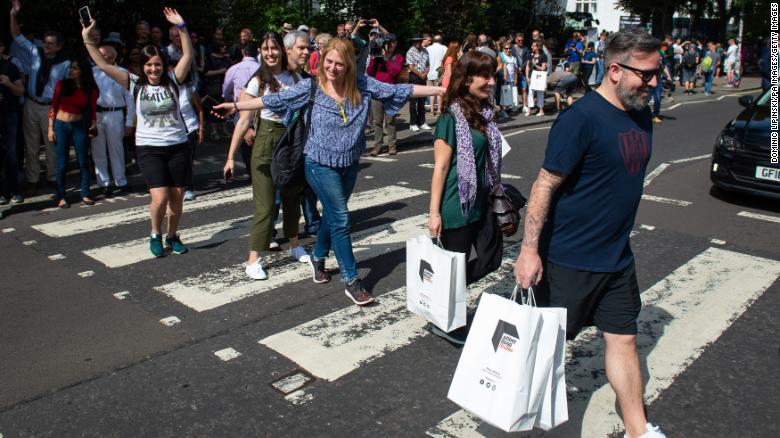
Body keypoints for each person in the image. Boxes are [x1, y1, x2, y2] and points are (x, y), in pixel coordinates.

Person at [514, 28, 667, 438]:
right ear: (615, 70)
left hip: (616, 258)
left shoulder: (638, 113)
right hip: (568, 261)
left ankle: (640, 430)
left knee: (625, 342)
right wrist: (529, 251)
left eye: (657, 72)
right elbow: (545, 184)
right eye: (646, 74)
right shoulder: (579, 119)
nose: (654, 82)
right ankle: (524, 417)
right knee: (546, 355)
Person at [215, 38, 444, 305]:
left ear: (349, 65)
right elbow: (274, 99)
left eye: (339, 64)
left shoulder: (362, 84)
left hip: (349, 163)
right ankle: (352, 279)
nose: (333, 68)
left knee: (334, 217)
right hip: (318, 162)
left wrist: (439, 90)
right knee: (342, 219)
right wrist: (236, 106)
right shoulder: (311, 87)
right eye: (329, 62)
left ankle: (317, 255)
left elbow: (399, 90)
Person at [82, 8, 195, 258]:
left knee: (177, 199)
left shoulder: (173, 80)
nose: (153, 69)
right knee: (161, 197)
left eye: (157, 65)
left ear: (163, 66)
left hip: (177, 146)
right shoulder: (133, 83)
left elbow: (188, 53)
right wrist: (87, 39)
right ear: (143, 67)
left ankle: (173, 236)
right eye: (149, 65)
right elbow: (101, 63)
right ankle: (155, 233)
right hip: (149, 149)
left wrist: (182, 27)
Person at [427, 51, 505, 343]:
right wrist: (434, 213)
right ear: (466, 78)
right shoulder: (450, 117)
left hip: (482, 200)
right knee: (456, 264)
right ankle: (449, 321)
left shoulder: (485, 113)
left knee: (491, 258)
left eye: (492, 75)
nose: (491, 81)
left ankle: (444, 294)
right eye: (485, 75)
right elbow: (441, 167)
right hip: (456, 204)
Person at [221, 31, 312, 280]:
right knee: (265, 205)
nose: (269, 53)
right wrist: (230, 157)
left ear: (282, 51)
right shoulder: (258, 80)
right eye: (264, 49)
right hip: (266, 142)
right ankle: (253, 260)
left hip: (292, 140)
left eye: (273, 49)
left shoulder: (297, 77)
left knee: (293, 197)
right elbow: (243, 122)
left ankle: (294, 245)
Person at [9, 0, 71, 196]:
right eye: (45, 42)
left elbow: (68, 89)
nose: (46, 46)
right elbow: (16, 35)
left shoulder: (66, 64)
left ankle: (52, 178)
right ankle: (32, 179)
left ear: (59, 46)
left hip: (50, 108)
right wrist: (13, 15)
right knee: (31, 144)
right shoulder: (36, 53)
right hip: (31, 104)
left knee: (52, 144)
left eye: (51, 44)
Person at [48, 57, 98, 208]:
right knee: (62, 163)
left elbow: (92, 111)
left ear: (83, 71)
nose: (71, 71)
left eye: (75, 68)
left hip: (79, 125)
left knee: (83, 161)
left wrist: (92, 126)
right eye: (71, 68)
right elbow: (53, 107)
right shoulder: (62, 85)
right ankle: (61, 195)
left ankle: (85, 193)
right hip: (60, 125)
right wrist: (50, 128)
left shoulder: (91, 90)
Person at [91, 44, 134, 197]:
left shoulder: (122, 73)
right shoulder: (93, 72)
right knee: (98, 150)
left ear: (114, 56)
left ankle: (121, 181)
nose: (105, 57)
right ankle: (103, 183)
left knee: (116, 149)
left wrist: (129, 122)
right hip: (97, 114)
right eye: (102, 54)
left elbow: (130, 99)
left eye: (109, 54)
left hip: (115, 114)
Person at [223, 40, 260, 178]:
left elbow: (225, 92)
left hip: (241, 109)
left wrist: (231, 100)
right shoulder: (261, 69)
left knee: (246, 146)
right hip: (259, 112)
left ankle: (252, 174)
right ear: (257, 52)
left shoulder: (233, 69)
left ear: (243, 52)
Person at [367, 33, 404, 156]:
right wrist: (374, 58)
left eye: (392, 42)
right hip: (377, 92)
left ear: (396, 43)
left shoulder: (397, 57)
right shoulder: (377, 55)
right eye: (387, 43)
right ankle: (377, 146)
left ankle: (392, 146)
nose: (389, 45)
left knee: (391, 121)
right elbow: (370, 72)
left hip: (391, 92)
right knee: (377, 122)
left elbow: (394, 72)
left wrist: (386, 59)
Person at [0, 39, 25, 205]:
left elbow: (21, 90)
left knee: (11, 153)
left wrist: (9, 84)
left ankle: (14, 190)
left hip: (9, 114)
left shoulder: (10, 67)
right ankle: (2, 193)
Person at [202, 39, 230, 140]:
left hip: (224, 87)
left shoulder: (225, 58)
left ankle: (223, 129)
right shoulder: (210, 58)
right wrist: (220, 71)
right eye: (222, 46)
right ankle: (214, 131)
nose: (224, 48)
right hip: (213, 87)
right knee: (213, 108)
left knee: (224, 109)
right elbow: (205, 72)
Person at [406, 34, 430, 132]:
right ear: (414, 42)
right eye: (417, 41)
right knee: (413, 101)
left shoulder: (425, 51)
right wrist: (420, 74)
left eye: (420, 41)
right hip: (414, 77)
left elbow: (428, 64)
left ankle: (422, 121)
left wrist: (425, 73)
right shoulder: (410, 52)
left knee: (422, 101)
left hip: (423, 76)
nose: (419, 43)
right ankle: (413, 123)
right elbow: (411, 66)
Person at [426, 33, 447, 115]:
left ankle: (431, 110)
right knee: (439, 92)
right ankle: (438, 110)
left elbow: (426, 61)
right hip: (440, 72)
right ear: (441, 40)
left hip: (430, 72)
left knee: (431, 92)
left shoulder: (428, 48)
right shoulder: (444, 48)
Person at [526, 40, 547, 116]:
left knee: (540, 93)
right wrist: (527, 77)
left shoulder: (543, 55)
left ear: (538, 47)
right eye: (532, 46)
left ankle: (541, 110)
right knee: (531, 92)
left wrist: (535, 65)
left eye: (533, 46)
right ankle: (529, 109)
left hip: (539, 77)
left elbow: (543, 68)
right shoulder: (530, 55)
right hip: (532, 76)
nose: (532, 47)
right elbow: (527, 67)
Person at [511, 33, 529, 112]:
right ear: (515, 40)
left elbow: (528, 59)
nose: (520, 42)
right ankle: (515, 105)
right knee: (514, 89)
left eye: (522, 40)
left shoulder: (526, 49)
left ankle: (525, 105)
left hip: (523, 71)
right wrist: (516, 69)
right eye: (519, 40)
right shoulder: (511, 49)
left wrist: (521, 68)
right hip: (514, 72)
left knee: (524, 89)